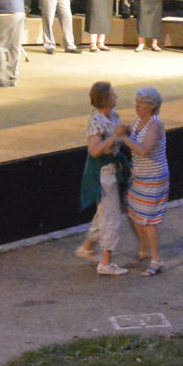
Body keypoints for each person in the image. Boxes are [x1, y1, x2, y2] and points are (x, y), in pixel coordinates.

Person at [75, 81, 135, 277]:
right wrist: (113, 138)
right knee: (111, 215)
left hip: (112, 168)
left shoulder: (113, 116)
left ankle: (87, 247)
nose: (116, 97)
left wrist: (126, 132)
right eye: (113, 95)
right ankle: (106, 262)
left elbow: (117, 135)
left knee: (105, 212)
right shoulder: (96, 122)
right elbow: (94, 150)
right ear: (105, 99)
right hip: (103, 172)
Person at [116, 86, 167, 276]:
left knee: (148, 220)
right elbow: (133, 132)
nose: (136, 107)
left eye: (140, 104)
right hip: (139, 176)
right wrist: (125, 130)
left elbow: (143, 149)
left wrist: (122, 136)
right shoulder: (140, 120)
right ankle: (144, 251)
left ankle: (156, 259)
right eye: (136, 103)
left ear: (151, 106)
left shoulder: (155, 124)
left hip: (154, 177)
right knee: (135, 215)